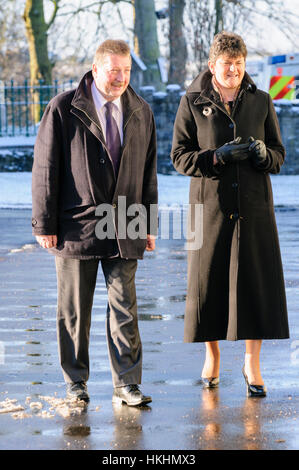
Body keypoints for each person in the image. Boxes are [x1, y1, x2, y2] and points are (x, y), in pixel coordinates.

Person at [31, 39, 158, 406]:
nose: (121, 78)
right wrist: (44, 224)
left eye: (126, 70)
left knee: (125, 307)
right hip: (76, 225)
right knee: (74, 310)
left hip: (127, 223)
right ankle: (76, 382)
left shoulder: (141, 110)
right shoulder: (63, 108)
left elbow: (149, 172)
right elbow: (45, 168)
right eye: (114, 70)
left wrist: (148, 223)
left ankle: (127, 384)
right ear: (96, 68)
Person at [171, 31, 289, 397]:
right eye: (227, 65)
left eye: (239, 64)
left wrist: (262, 155)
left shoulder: (262, 101)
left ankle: (252, 363)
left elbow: (279, 154)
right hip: (209, 207)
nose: (234, 70)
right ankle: (213, 355)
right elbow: (179, 156)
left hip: (254, 206)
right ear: (212, 66)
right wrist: (216, 157)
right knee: (210, 283)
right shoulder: (192, 102)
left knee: (255, 284)